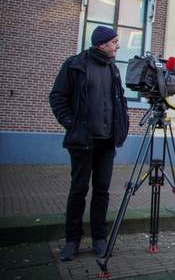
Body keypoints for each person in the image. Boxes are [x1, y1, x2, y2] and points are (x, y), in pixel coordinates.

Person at [49, 26, 129, 261]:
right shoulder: (75, 65)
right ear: (102, 44)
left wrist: (121, 123)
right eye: (114, 42)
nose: (117, 46)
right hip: (82, 141)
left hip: (106, 142)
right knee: (78, 191)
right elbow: (57, 97)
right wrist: (72, 124)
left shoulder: (113, 70)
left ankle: (99, 239)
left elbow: (119, 99)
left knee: (102, 191)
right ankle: (72, 241)